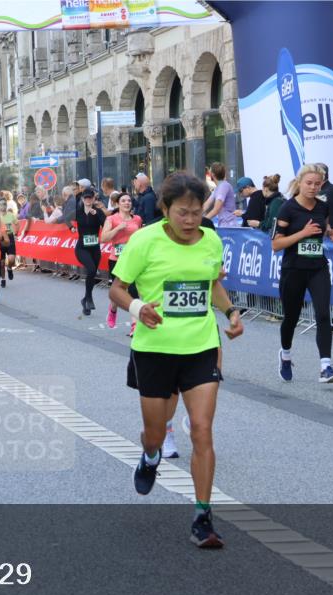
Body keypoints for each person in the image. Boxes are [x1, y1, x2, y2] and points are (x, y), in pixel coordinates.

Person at [108, 172, 244, 548]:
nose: (189, 220)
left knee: (201, 428)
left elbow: (212, 283)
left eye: (196, 212)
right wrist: (138, 308)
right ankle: (150, 455)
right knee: (155, 430)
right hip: (154, 350)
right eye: (182, 213)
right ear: (165, 209)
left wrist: (231, 312)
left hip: (200, 346)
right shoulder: (144, 241)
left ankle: (203, 516)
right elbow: (117, 289)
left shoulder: (211, 240)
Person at [272, 164, 333, 383]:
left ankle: (326, 367)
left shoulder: (323, 207)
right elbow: (276, 244)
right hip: (293, 269)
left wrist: (331, 233)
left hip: (317, 268)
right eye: (309, 183)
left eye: (317, 184)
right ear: (300, 183)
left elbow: (325, 227)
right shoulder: (287, 208)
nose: (313, 188)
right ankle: (285, 354)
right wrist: (302, 233)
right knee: (291, 318)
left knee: (323, 314)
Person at [101, 192, 142, 335]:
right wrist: (118, 228)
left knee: (133, 292)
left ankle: (135, 325)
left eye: (129, 201)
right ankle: (113, 309)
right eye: (123, 201)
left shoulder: (137, 219)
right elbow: (104, 238)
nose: (127, 203)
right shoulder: (112, 219)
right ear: (117, 204)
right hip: (116, 260)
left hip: (133, 260)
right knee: (118, 292)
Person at [71, 187, 107, 315]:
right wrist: (71, 227)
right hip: (81, 248)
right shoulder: (78, 212)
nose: (88, 199)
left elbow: (105, 224)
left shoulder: (97, 212)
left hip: (95, 248)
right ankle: (89, 298)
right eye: (85, 197)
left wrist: (97, 214)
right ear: (82, 199)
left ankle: (85, 299)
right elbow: (64, 217)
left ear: (93, 199)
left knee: (92, 274)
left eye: (90, 197)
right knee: (91, 269)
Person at [203, 163, 238, 228]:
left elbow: (216, 209)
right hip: (224, 225)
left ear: (212, 174)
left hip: (229, 227)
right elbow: (206, 205)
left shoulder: (223, 186)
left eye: (210, 171)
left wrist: (203, 221)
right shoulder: (218, 188)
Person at [0, 198, 18, 286]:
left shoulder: (11, 215)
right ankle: (3, 279)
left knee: (11, 259)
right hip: (0, 239)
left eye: (4, 204)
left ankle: (9, 268)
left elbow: (17, 224)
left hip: (9, 237)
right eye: (1, 204)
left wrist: (16, 232)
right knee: (1, 263)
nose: (3, 206)